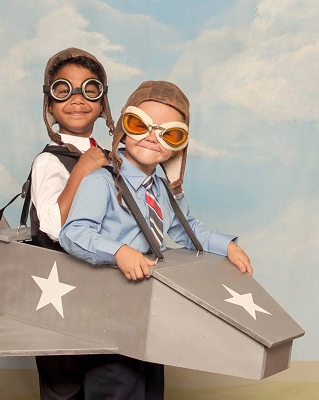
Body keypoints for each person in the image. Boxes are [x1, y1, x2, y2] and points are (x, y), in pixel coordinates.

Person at [59, 80, 253, 399]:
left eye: (169, 133)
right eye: (140, 124)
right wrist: (118, 252)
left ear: (179, 145)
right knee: (116, 384)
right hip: (109, 311)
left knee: (150, 387)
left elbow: (187, 229)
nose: (152, 136)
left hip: (148, 310)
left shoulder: (163, 190)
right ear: (123, 126)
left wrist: (226, 245)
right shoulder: (101, 183)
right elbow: (74, 234)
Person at [31, 47, 114, 400]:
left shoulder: (113, 159)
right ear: (50, 105)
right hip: (60, 295)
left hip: (104, 294)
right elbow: (52, 225)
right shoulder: (49, 162)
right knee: (66, 386)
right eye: (63, 90)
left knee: (109, 378)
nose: (77, 99)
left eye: (89, 89)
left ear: (102, 103)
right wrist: (81, 170)